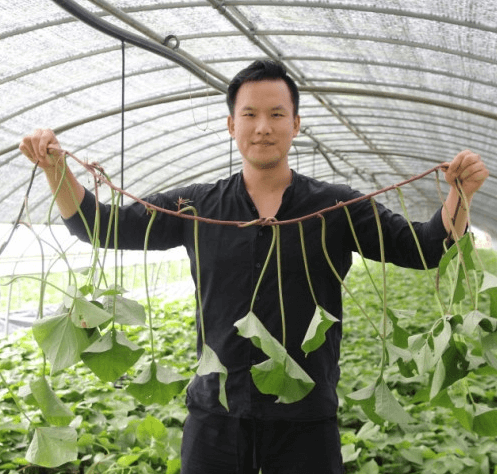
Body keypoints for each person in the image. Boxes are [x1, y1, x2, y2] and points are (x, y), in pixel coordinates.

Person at [20, 60, 488, 474]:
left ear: (296, 124)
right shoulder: (195, 205)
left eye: (276, 114)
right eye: (250, 115)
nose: (262, 127)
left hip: (305, 415)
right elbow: (103, 227)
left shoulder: (338, 205)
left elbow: (425, 248)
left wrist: (459, 194)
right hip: (215, 413)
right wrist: (56, 169)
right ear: (231, 125)